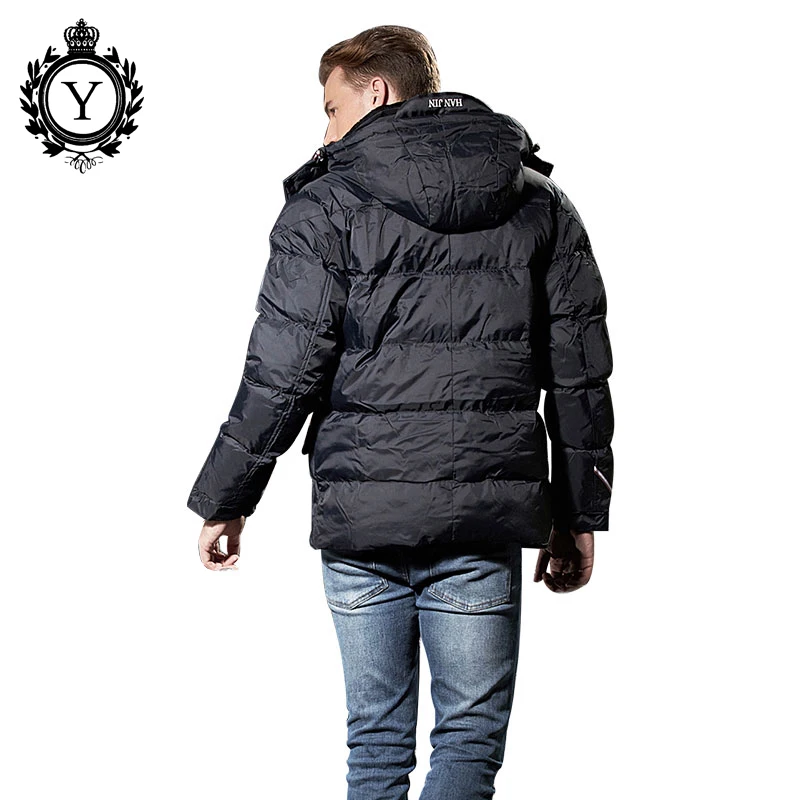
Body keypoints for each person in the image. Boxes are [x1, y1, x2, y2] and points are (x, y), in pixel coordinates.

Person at [187, 24, 614, 800]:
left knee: (376, 743)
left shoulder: (325, 208)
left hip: (363, 518)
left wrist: (228, 498)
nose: (326, 131)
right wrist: (578, 515)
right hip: (483, 518)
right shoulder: (541, 204)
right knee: (469, 739)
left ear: (376, 92)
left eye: (331, 108)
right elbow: (578, 378)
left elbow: (282, 370)